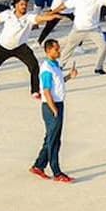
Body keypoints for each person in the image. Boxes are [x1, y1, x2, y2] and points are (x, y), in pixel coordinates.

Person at [30, 38, 74, 183]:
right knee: (54, 140)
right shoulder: (47, 69)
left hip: (57, 104)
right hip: (52, 106)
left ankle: (38, 165)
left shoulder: (55, 65)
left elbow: (58, 84)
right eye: (56, 49)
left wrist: (69, 77)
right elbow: (47, 90)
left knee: (50, 137)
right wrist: (53, 108)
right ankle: (56, 172)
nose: (59, 51)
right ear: (48, 51)